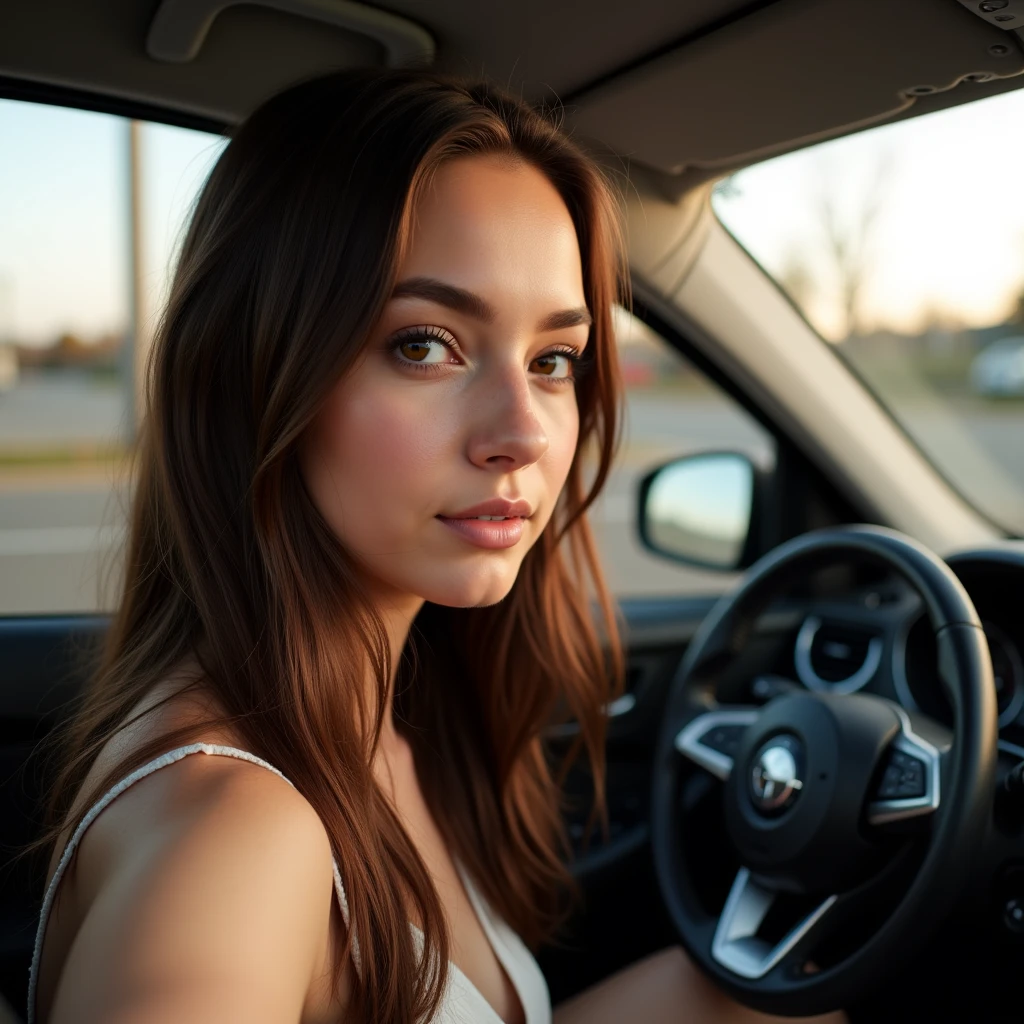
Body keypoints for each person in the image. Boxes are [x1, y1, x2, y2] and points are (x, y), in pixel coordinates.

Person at [27, 68, 846, 1024]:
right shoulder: (235, 836)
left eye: (553, 361)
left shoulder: (382, 728)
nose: (525, 433)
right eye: (426, 344)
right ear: (250, 375)